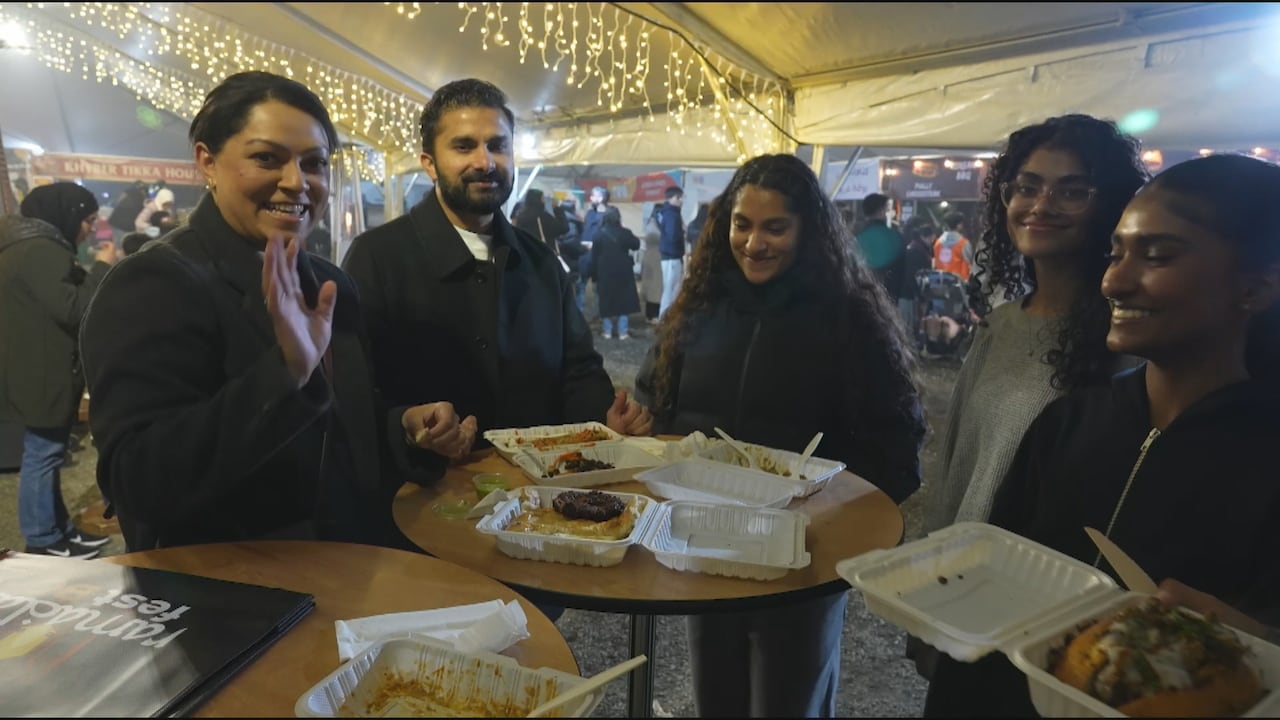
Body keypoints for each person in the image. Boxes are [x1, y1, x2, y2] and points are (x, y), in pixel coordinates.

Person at [924, 152, 1280, 717]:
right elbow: (993, 577)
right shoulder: (1068, 422)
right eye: (1115, 254)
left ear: (1254, 289)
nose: (1114, 279)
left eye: (1157, 256)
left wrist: (1253, 642)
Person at [79, 71, 461, 551]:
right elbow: (139, 485)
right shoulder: (152, 284)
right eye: (267, 158)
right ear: (208, 161)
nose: (297, 182)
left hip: (348, 578)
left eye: (315, 163)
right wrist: (284, 374)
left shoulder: (329, 283)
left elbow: (339, 435)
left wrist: (405, 427)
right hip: (230, 604)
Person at [634, 154, 926, 717]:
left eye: (775, 227)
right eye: (742, 224)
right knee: (716, 700)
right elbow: (657, 405)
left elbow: (897, 448)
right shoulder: (696, 307)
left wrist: (835, 519)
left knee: (789, 705)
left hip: (802, 561)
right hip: (709, 546)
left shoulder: (849, 318)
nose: (754, 242)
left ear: (807, 230)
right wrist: (638, 427)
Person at [343, 78, 652, 489]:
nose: (485, 162)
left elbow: (577, 370)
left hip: (535, 504)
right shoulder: (377, 257)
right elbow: (355, 391)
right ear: (429, 163)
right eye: (464, 146)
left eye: (498, 145)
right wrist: (407, 425)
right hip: (420, 503)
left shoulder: (539, 261)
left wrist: (606, 419)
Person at [923, 115, 1148, 535]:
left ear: (1112, 205)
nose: (1042, 205)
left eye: (1073, 191)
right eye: (1027, 188)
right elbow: (957, 463)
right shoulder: (1001, 325)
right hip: (957, 573)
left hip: (1041, 583)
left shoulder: (1126, 340)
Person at [0, 182, 120, 557]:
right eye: (86, 219)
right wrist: (102, 266)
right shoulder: (39, 250)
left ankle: (60, 531)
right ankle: (42, 539)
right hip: (43, 373)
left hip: (36, 369)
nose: (88, 227)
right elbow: (74, 309)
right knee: (42, 455)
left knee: (45, 452)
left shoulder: (26, 245)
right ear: (64, 214)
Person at [589, 207, 641, 340]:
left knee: (605, 300)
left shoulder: (598, 234)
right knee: (623, 300)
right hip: (623, 271)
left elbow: (594, 256)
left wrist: (593, 275)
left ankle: (607, 331)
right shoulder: (625, 233)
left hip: (604, 271)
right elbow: (636, 244)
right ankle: (622, 332)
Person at [854, 192, 906, 297]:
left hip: (858, 291)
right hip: (887, 293)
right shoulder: (893, 236)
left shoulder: (854, 234)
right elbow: (901, 267)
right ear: (882, 210)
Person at [899, 218, 936, 338]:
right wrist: (919, 295)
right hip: (910, 295)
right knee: (908, 325)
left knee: (910, 325)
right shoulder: (917, 249)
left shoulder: (917, 247)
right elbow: (913, 275)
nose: (933, 241)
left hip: (910, 293)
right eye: (932, 238)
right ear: (929, 236)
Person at [578, 185, 610, 315]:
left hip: (600, 257)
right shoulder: (590, 213)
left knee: (598, 288)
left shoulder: (610, 214)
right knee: (580, 286)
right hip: (585, 256)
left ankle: (598, 315)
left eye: (594, 195)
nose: (591, 198)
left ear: (602, 198)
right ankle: (578, 314)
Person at [655, 185, 686, 317]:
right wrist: (682, 230)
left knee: (670, 288)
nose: (681, 201)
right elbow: (673, 235)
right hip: (672, 255)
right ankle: (665, 318)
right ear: (673, 198)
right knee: (670, 289)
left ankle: (666, 317)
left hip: (667, 255)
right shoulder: (672, 215)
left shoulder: (663, 212)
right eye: (679, 198)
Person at [932, 211, 973, 281]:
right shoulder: (963, 243)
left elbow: (935, 264)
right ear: (958, 225)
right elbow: (968, 264)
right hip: (959, 283)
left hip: (941, 282)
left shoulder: (937, 243)